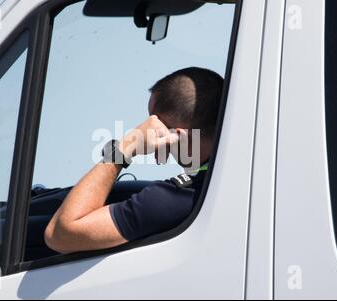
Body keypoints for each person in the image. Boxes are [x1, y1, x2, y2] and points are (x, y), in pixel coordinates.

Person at [44, 67, 224, 253]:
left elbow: (60, 234)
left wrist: (125, 147)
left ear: (177, 136)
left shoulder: (173, 198)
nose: (147, 130)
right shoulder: (225, 180)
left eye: (153, 124)